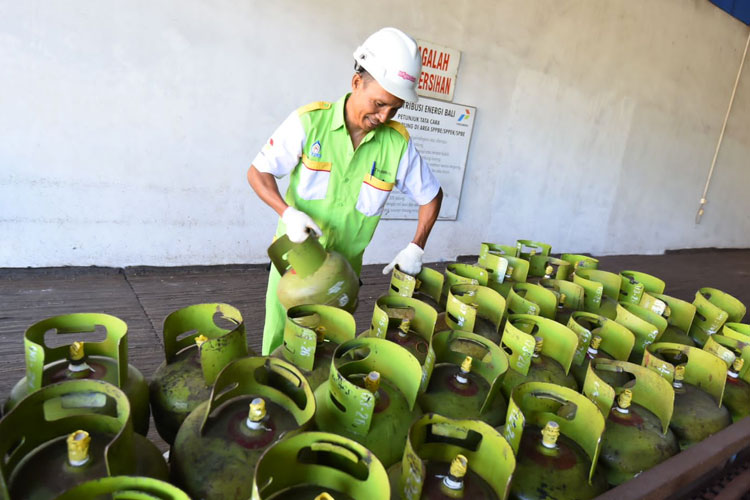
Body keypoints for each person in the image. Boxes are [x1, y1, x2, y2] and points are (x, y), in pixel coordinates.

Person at [248, 27, 443, 355]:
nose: (384, 117)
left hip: (344, 275)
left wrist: (416, 247)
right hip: (295, 264)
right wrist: (287, 212)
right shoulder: (311, 123)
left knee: (327, 354)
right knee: (278, 348)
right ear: (356, 84)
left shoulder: (397, 146)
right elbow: (258, 172)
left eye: (394, 110)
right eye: (379, 104)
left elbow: (432, 196)